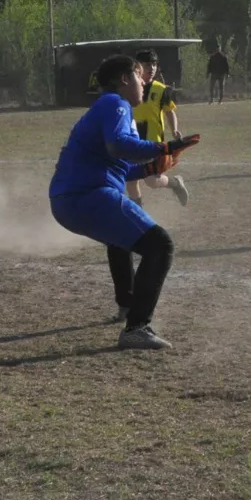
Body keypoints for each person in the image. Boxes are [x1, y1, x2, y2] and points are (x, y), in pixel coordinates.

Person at [49, 55, 200, 349]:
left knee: (124, 241)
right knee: (160, 245)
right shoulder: (114, 104)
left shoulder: (112, 108)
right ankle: (137, 327)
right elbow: (118, 146)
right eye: (139, 76)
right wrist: (164, 147)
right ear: (124, 80)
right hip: (87, 194)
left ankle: (128, 306)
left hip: (72, 197)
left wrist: (152, 168)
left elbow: (119, 164)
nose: (144, 82)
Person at [127, 50, 189, 208]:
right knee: (130, 180)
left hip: (152, 142)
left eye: (154, 64)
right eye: (148, 64)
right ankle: (138, 214)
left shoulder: (161, 89)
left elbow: (170, 112)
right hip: (131, 141)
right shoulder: (127, 88)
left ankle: (175, 183)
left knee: (152, 181)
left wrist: (174, 129)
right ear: (137, 66)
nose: (152, 68)